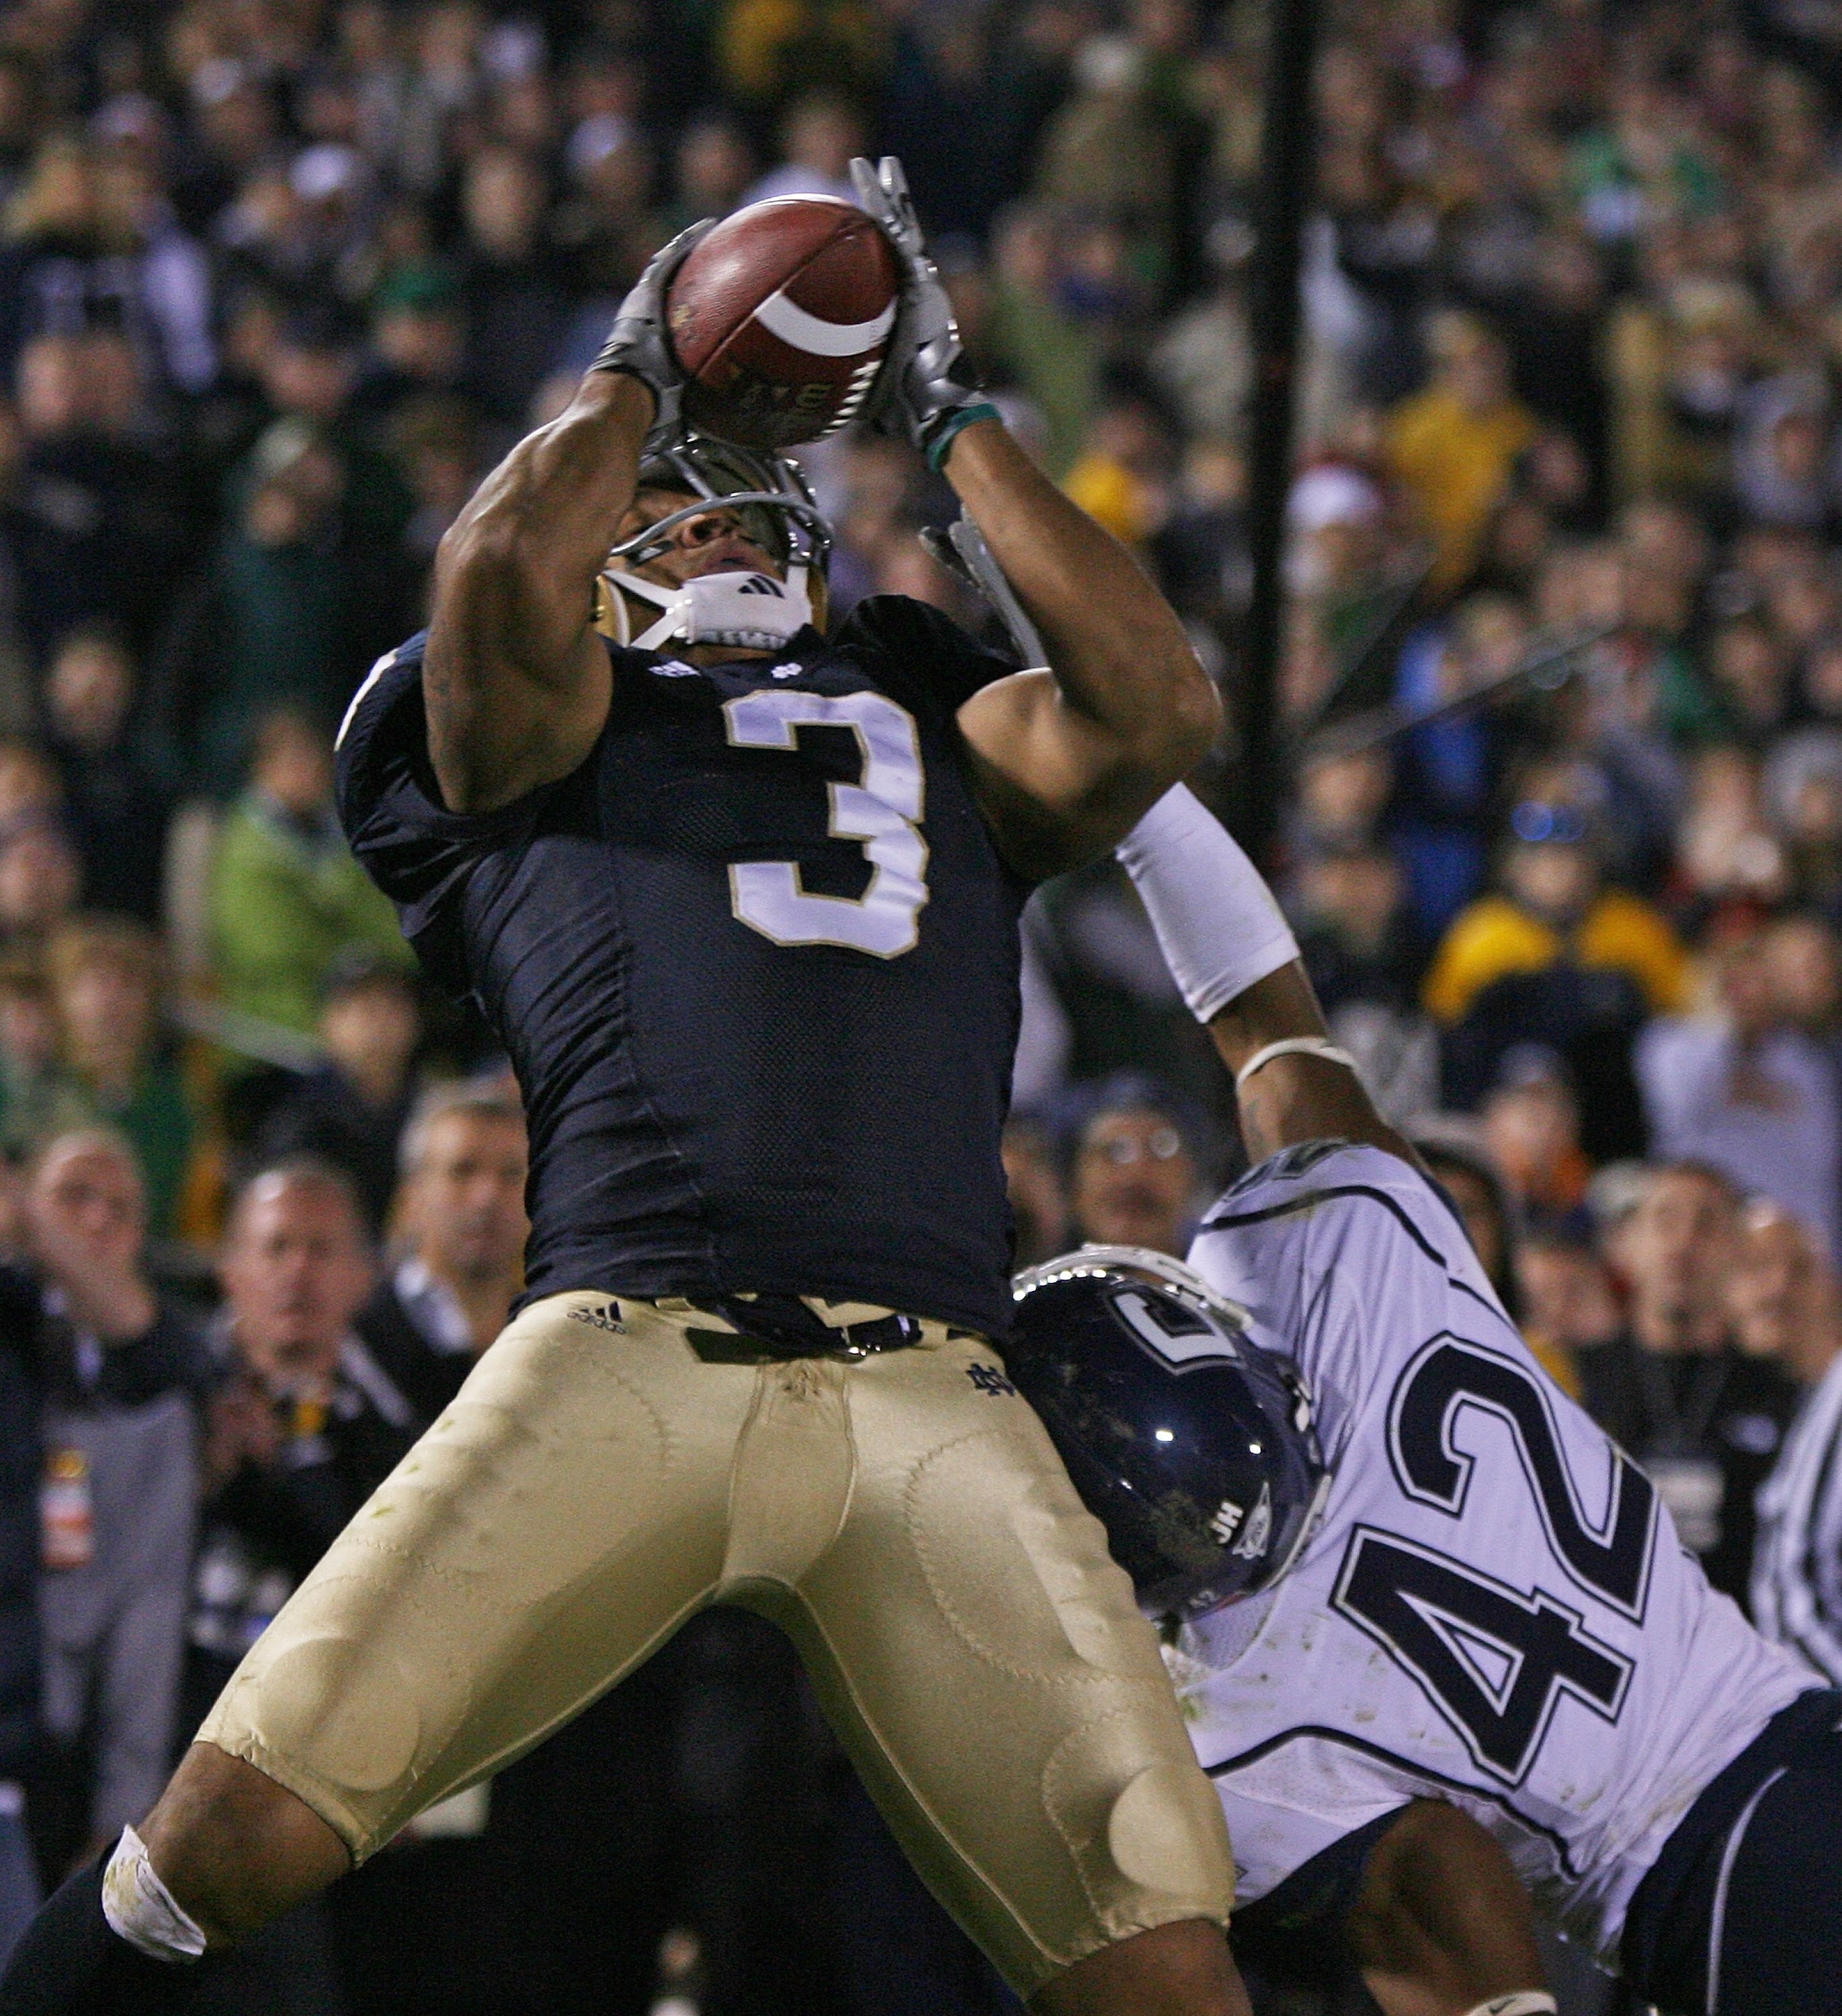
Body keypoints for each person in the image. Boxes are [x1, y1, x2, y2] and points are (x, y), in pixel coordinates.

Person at [1, 159, 1245, 2016]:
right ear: (608, 550)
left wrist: (943, 414)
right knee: (225, 1842)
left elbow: (1156, 711)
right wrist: (638, 370)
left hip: (933, 1387)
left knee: (1158, 1970)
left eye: (763, 522)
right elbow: (499, 574)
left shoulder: (923, 698)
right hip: (629, 1341)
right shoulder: (524, 721)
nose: (726, 537)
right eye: (676, 519)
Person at [1008, 781, 1839, 2016]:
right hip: (1800, 1746)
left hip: (1710, 1904)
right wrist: (1141, 792)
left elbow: (1434, 1883)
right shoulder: (1354, 1264)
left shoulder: (1231, 1705)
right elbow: (1264, 1016)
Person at [19, 1132, 206, 1880]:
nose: (93, 1223)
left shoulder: (159, 1405)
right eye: (72, 1197)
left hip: (55, 1748)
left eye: (119, 1210)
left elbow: (148, 1609)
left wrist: (120, 1813)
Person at [1581, 1161, 1799, 1603]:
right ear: (1625, 1244)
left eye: (1706, 1224)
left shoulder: (1783, 1390)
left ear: (1739, 1252)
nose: (1682, 1242)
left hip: (1743, 1646)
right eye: (1664, 1220)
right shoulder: (1574, 1379)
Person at [353, 1080, 527, 1423]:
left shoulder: (564, 1336)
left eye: (511, 1175)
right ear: (412, 1198)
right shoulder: (356, 1336)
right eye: (462, 1171)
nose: (487, 1197)